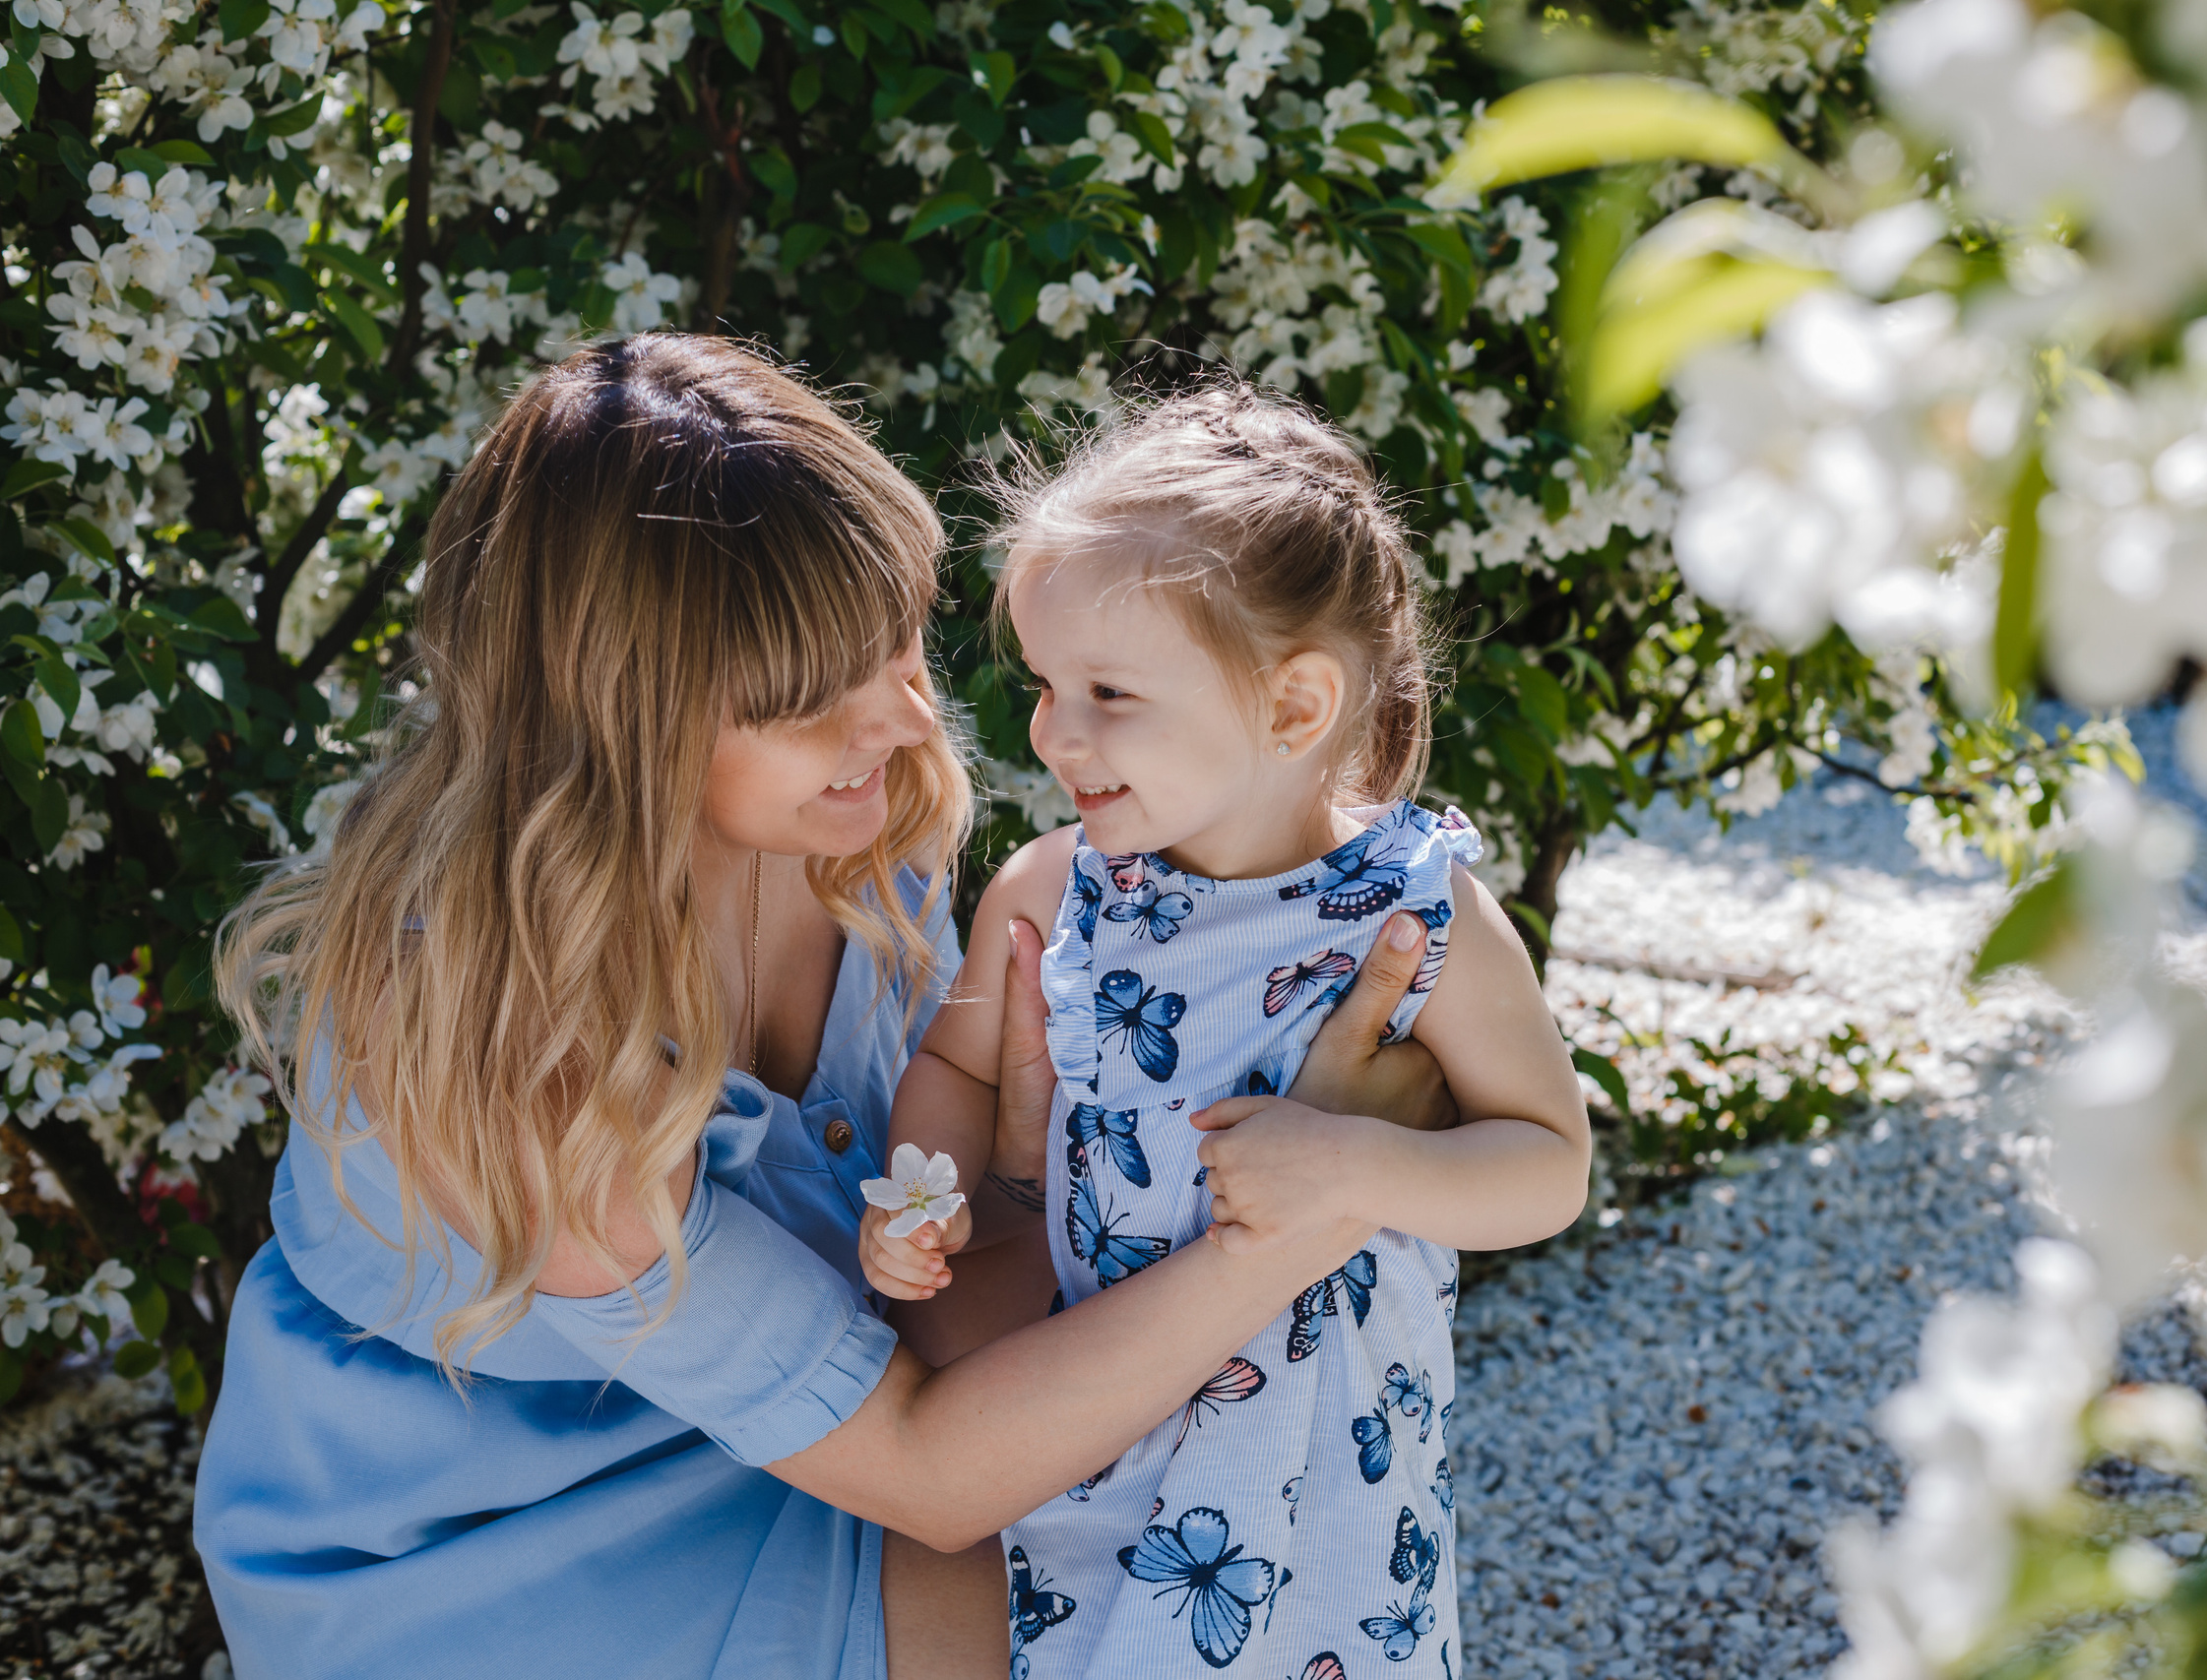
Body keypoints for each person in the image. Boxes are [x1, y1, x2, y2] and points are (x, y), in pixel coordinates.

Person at [193, 336, 1453, 1680]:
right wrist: (1317, 1196)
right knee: (1114, 1590)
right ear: (627, 717)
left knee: (1229, 1494)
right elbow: (932, 1471)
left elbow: (953, 1305)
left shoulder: (857, 826)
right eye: (808, 698)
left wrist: (1025, 1190)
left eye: (898, 637)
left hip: (841, 1421)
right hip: (507, 1558)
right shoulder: (514, 1048)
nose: (912, 722)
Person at [861, 384, 1592, 1677]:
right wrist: (927, 1196)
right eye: (1044, 684)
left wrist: (1367, 1165)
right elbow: (957, 1066)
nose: (1053, 731)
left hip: (1335, 1498)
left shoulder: (1419, 921)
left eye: (1108, 692)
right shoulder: (1053, 890)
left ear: (1294, 707)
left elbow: (1547, 1164)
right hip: (1101, 1462)